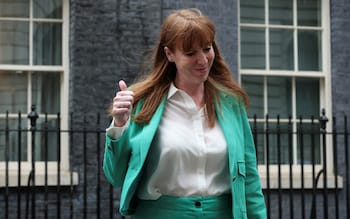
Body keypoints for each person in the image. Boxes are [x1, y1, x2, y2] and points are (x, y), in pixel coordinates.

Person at [103, 8, 266, 219]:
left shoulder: (231, 104)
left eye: (207, 49)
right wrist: (119, 124)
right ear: (169, 54)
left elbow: (250, 180)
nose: (203, 60)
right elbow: (116, 176)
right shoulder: (143, 104)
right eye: (190, 53)